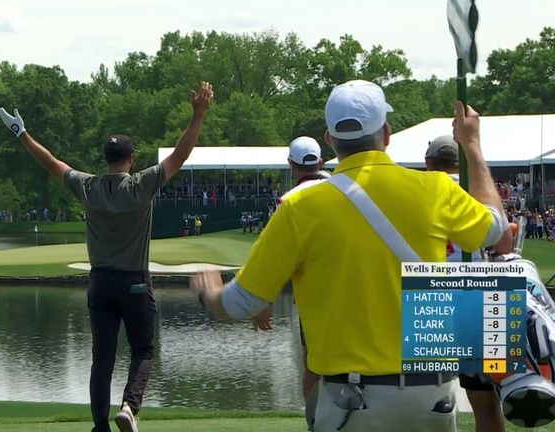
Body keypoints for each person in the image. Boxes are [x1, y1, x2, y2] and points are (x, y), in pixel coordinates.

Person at [190, 80, 512, 432]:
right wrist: (473, 146)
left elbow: (241, 304)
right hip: (430, 397)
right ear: (386, 133)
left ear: (330, 140)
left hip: (349, 401)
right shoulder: (434, 189)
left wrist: (209, 294)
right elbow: (496, 227)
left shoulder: (300, 207)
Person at [0, 82, 213, 432]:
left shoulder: (88, 186)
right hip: (134, 283)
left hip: (99, 283)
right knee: (143, 350)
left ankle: (100, 427)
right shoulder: (142, 184)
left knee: (102, 359)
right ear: (131, 159)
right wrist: (199, 113)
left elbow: (51, 162)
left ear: (105, 159)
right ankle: (130, 407)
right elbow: (181, 154)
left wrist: (22, 133)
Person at [425, 135, 505, 432]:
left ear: (429, 163)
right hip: (479, 293)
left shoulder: (422, 191)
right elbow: (504, 242)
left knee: (428, 398)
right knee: (485, 401)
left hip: (432, 296)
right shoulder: (475, 190)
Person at [251, 135, 330, 404]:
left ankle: (315, 422)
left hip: (313, 301)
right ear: (320, 161)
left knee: (312, 365)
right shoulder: (349, 190)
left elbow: (275, 261)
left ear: (291, 165)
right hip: (357, 293)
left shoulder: (288, 202)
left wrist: (264, 302)